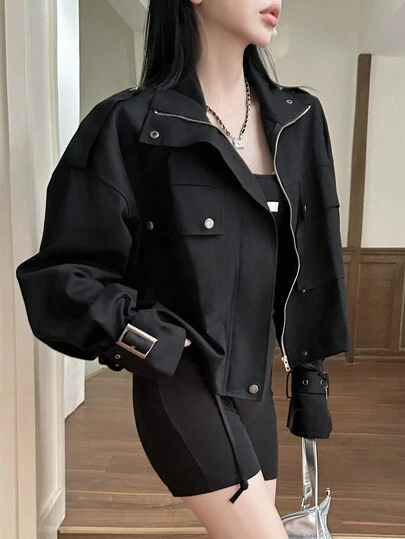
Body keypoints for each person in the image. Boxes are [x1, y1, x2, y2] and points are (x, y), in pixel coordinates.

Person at [15, 0, 351, 537]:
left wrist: (310, 382)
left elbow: (313, 263)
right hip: (182, 384)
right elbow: (61, 276)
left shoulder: (299, 120)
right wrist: (151, 340)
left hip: (255, 385)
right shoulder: (130, 126)